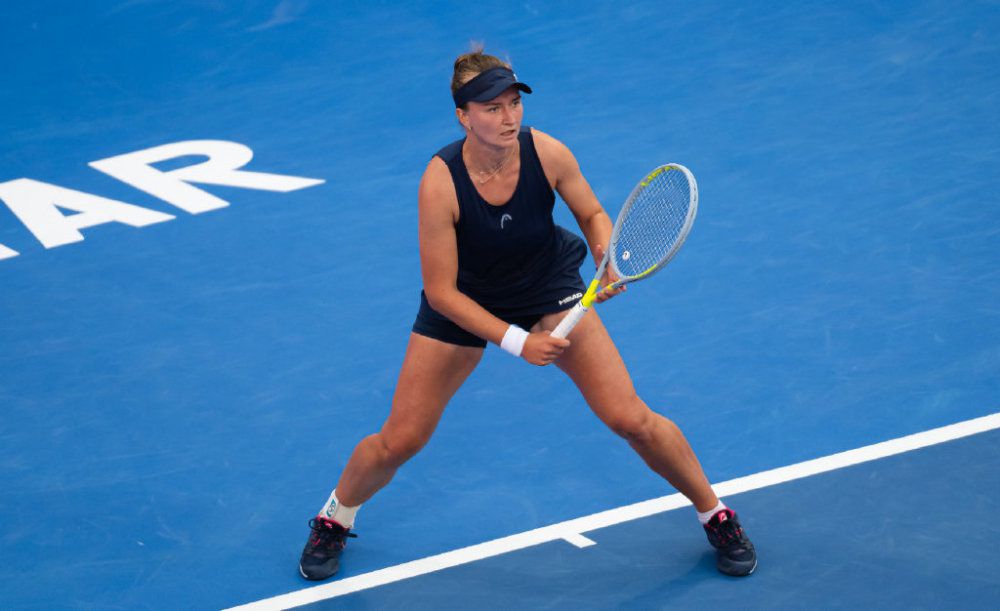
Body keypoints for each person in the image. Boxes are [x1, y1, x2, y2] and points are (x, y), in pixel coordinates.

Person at [298, 48, 756, 581]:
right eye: (491, 108)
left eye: (514, 103)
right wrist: (517, 341)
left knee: (631, 418)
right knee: (401, 440)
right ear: (462, 115)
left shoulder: (548, 152)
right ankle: (335, 517)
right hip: (466, 301)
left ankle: (716, 513)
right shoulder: (440, 182)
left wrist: (607, 258)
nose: (508, 117)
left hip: (546, 285)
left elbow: (589, 211)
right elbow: (441, 293)